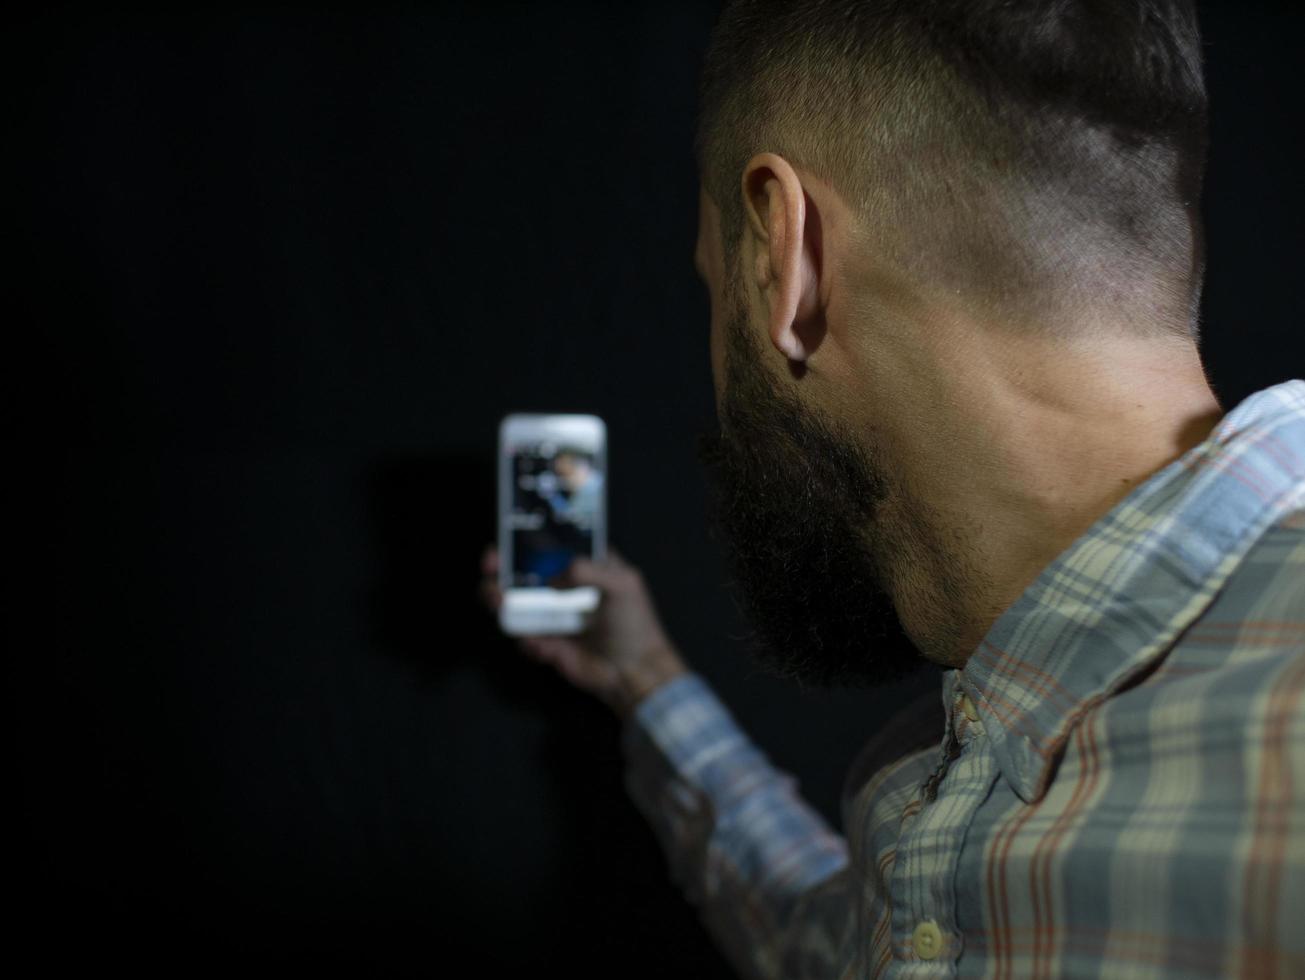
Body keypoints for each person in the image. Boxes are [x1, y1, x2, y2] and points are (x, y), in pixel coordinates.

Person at [480, 1, 1305, 976]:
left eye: (715, 287)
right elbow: (822, 936)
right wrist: (641, 676)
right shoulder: (935, 788)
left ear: (783, 255)